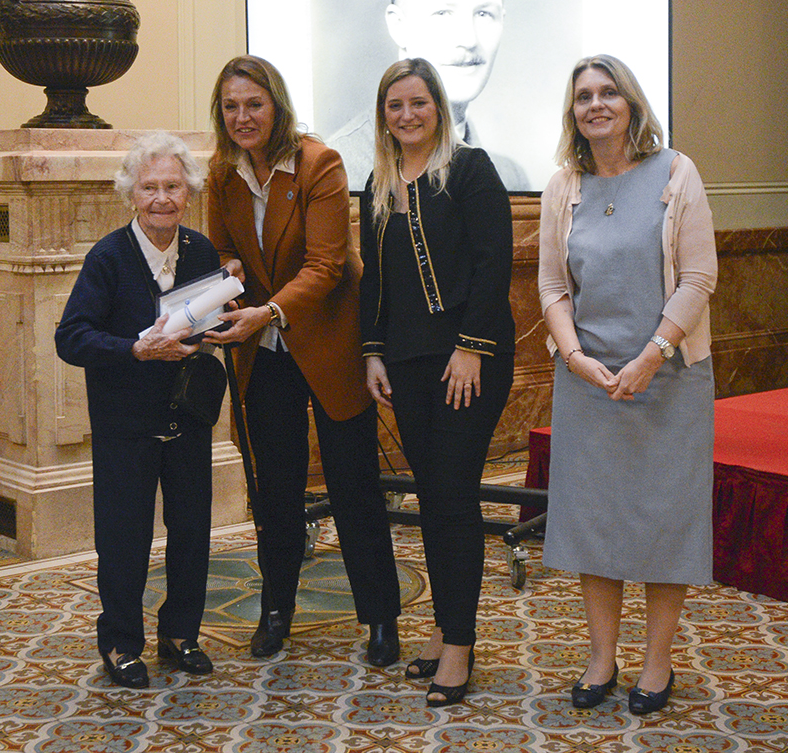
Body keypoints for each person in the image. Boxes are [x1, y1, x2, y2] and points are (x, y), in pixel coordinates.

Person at [203, 55, 403, 666]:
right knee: (276, 493)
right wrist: (227, 271)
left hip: (331, 346)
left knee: (354, 490)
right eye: (232, 107)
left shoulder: (319, 163)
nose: (243, 117)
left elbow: (327, 265)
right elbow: (222, 251)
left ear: (276, 106)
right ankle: (275, 611)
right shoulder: (222, 172)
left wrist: (265, 312)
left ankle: (380, 618)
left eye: (254, 104)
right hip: (265, 358)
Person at [537, 54, 717, 715]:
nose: (596, 104)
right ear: (573, 113)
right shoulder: (564, 185)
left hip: (667, 380)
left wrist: (652, 353)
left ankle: (658, 662)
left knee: (665, 523)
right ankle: (601, 657)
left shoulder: (675, 171)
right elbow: (553, 285)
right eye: (583, 95)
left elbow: (699, 277)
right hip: (589, 382)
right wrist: (574, 353)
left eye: (609, 91)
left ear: (631, 103)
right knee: (596, 523)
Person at [359, 58, 515, 706]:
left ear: (437, 106)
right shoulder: (380, 180)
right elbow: (374, 279)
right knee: (431, 497)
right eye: (395, 105)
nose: (407, 115)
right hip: (407, 363)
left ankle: (459, 645)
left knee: (452, 498)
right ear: (383, 115)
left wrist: (472, 347)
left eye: (418, 103)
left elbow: (493, 263)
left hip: (468, 361)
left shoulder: (471, 169)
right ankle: (446, 627)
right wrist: (372, 353)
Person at [55, 132, 220, 688]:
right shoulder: (108, 256)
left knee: (193, 529)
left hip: (188, 420)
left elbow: (203, 322)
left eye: (173, 186)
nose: (162, 199)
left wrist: (217, 326)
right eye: (149, 187)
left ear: (188, 192)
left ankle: (181, 635)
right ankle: (122, 644)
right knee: (124, 538)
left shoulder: (200, 251)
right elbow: (71, 338)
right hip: (125, 424)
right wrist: (132, 347)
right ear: (131, 194)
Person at [327, 0, 529, 192]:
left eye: (484, 14)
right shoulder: (338, 167)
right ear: (398, 26)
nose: (469, 39)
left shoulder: (509, 177)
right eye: (443, 13)